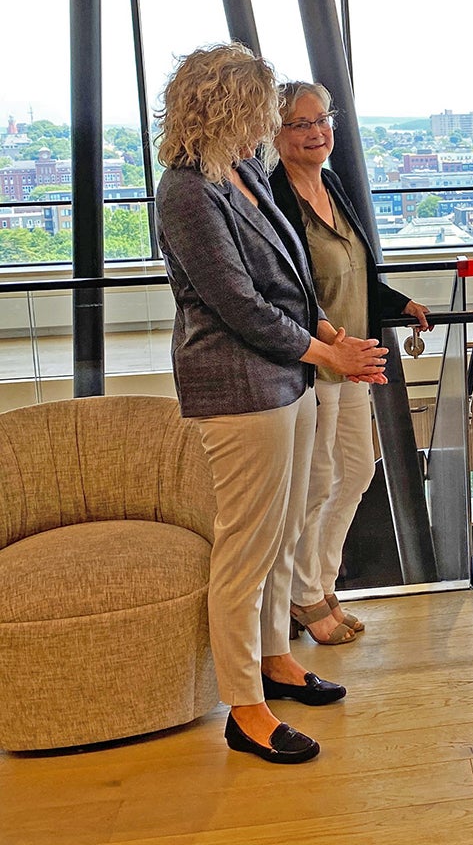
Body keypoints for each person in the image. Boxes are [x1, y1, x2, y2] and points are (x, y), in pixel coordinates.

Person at [155, 43, 388, 764]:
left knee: (284, 530)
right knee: (246, 547)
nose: (274, 117)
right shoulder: (186, 190)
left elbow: (287, 283)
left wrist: (321, 331)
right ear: (229, 105)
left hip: (284, 380)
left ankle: (275, 662)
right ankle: (244, 708)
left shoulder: (242, 173)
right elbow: (238, 305)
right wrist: (329, 354)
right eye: (264, 105)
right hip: (238, 387)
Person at [269, 81, 430, 646]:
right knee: (317, 483)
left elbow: (355, 273)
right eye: (301, 124)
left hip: (355, 358)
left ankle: (318, 582)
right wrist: (333, 341)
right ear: (276, 132)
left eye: (322, 120)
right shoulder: (274, 194)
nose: (317, 133)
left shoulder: (331, 183)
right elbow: (287, 290)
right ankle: (305, 597)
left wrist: (403, 304)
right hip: (314, 362)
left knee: (357, 470)